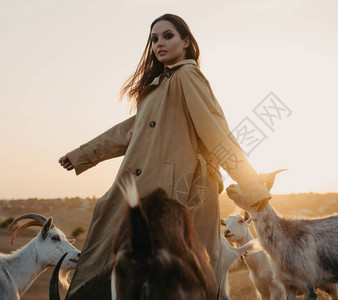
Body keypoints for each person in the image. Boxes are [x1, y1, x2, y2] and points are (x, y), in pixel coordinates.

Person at [59, 13, 272, 298]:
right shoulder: (158, 87)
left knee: (190, 280)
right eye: (154, 39)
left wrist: (251, 185)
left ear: (186, 42)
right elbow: (129, 130)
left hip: (182, 196)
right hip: (147, 190)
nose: (159, 43)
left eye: (167, 36)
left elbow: (217, 134)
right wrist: (84, 154)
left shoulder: (187, 75)